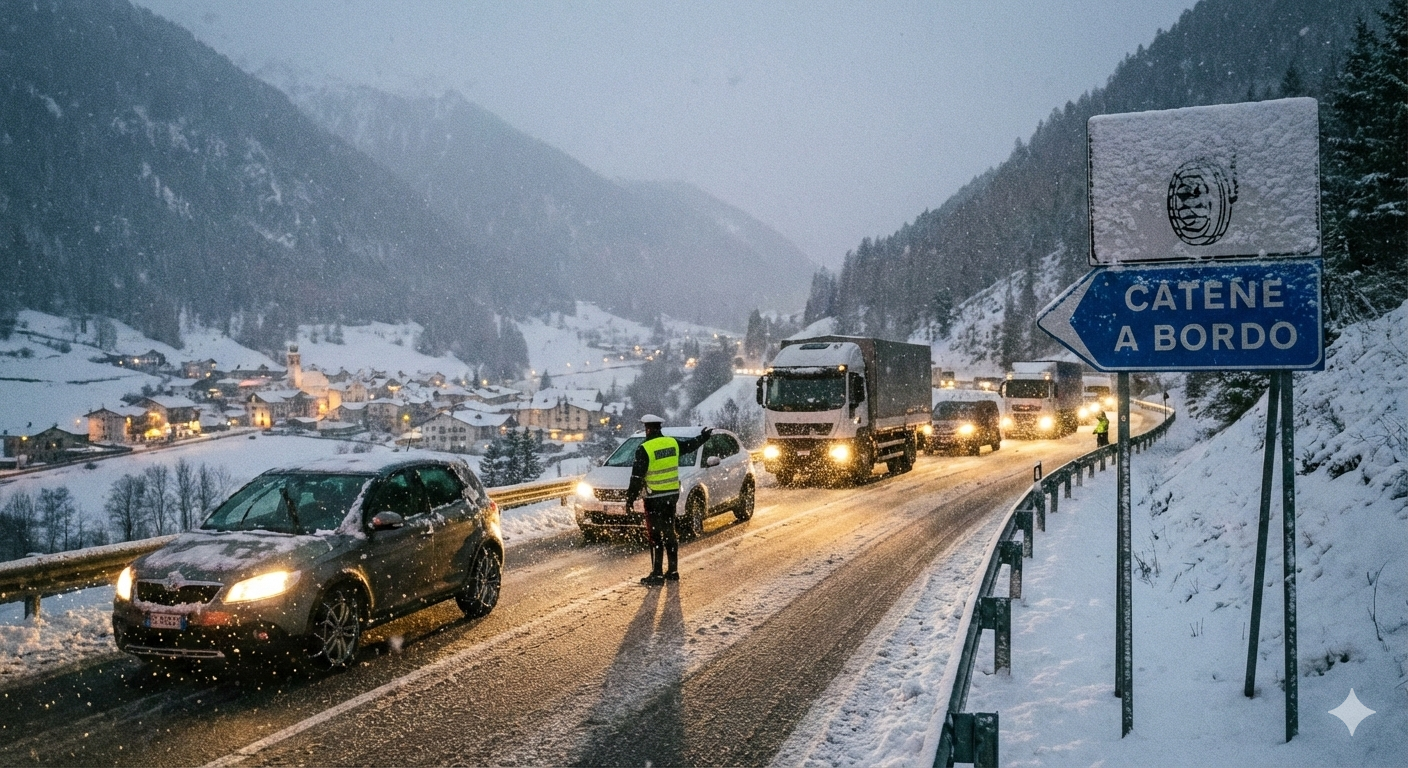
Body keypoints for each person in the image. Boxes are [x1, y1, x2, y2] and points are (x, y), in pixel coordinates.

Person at [623, 414, 712, 585]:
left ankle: (657, 574)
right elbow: (690, 445)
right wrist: (703, 437)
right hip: (671, 496)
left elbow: (636, 477)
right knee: (669, 531)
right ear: (659, 428)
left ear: (648, 429)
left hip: (654, 498)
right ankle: (673, 571)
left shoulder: (644, 449)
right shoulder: (672, 443)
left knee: (655, 535)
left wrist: (630, 499)